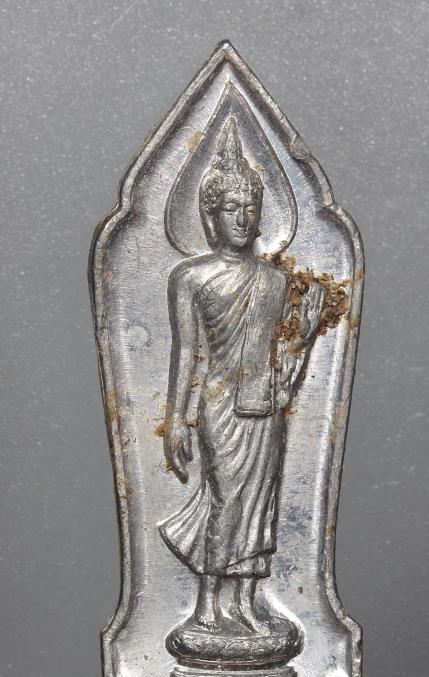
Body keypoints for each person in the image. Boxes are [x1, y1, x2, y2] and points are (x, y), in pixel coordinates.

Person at [158, 117, 323, 635]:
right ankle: (208, 602)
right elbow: (187, 353)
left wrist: (305, 334)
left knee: (261, 502)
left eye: (251, 208)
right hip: (219, 404)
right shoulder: (191, 277)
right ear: (211, 216)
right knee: (227, 499)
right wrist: (177, 420)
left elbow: (283, 362)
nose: (243, 217)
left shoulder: (275, 279)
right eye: (231, 208)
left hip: (265, 404)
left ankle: (248, 602)